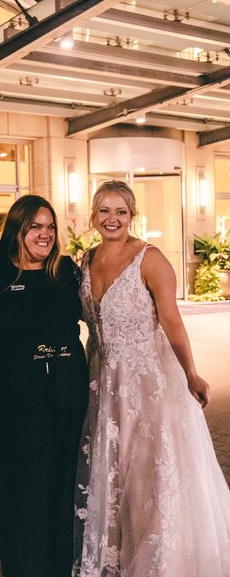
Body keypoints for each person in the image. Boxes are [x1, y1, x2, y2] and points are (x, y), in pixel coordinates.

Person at [73, 180, 230, 577]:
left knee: (146, 477)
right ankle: (115, 555)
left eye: (121, 212)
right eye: (104, 211)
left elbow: (172, 321)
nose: (112, 219)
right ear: (93, 217)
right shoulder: (85, 259)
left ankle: (154, 562)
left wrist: (191, 372)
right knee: (112, 473)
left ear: (132, 215)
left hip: (147, 385)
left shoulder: (150, 259)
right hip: (102, 382)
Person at [0, 195, 89, 577]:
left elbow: (99, 317)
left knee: (64, 478)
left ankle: (61, 567)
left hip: (66, 387)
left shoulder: (67, 271)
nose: (44, 235)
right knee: (21, 481)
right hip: (16, 391)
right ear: (18, 229)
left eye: (49, 227)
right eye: (35, 227)